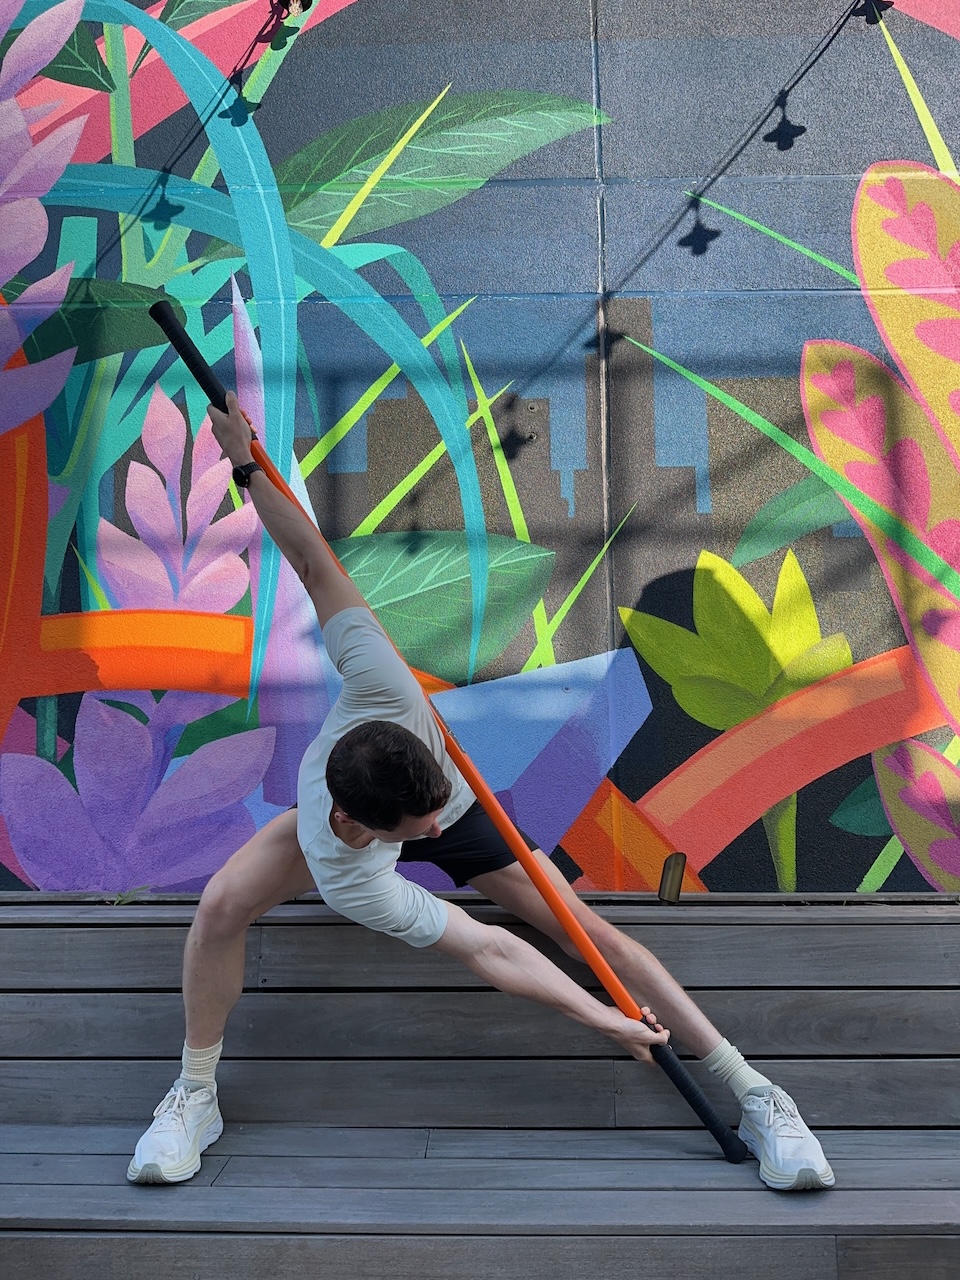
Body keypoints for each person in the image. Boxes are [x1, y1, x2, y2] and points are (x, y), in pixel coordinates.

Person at [127, 392, 834, 1193]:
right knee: (221, 907)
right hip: (346, 825)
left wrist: (246, 462)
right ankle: (195, 1092)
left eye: (427, 817)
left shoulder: (386, 688)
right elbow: (488, 947)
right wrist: (603, 1019)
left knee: (584, 931)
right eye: (415, 833)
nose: (428, 837)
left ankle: (756, 1092)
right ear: (366, 828)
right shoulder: (347, 867)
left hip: (453, 796)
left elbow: (313, 562)